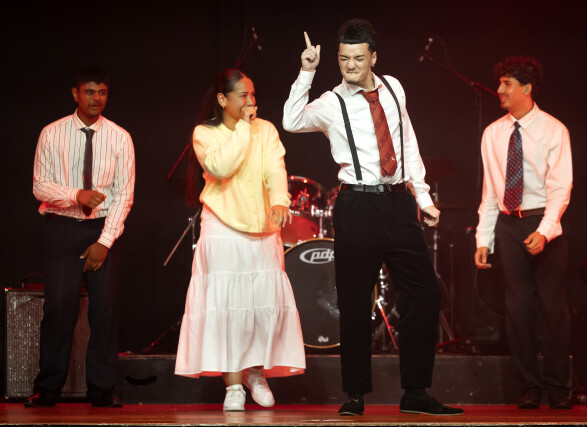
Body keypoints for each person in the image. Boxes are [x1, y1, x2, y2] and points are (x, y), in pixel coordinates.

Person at [283, 19, 463, 416]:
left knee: (425, 293)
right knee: (353, 300)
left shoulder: (394, 87)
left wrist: (423, 197)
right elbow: (291, 121)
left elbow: (408, 143)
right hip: (357, 205)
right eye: (343, 58)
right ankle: (355, 394)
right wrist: (307, 72)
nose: (350, 65)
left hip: (398, 204)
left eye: (358, 58)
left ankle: (415, 391)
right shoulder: (331, 102)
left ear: (373, 58)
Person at [174, 68, 306, 412]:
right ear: (223, 100)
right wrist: (244, 128)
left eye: (253, 94)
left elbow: (275, 169)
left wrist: (280, 200)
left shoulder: (266, 129)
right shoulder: (205, 133)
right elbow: (221, 167)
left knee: (260, 303)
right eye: (243, 95)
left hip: (262, 229)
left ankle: (255, 372)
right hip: (223, 228)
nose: (251, 101)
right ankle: (233, 384)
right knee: (226, 307)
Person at [28, 68, 135, 408]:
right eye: (89, 92)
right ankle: (47, 389)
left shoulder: (120, 137)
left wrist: (104, 242)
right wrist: (77, 195)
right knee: (59, 308)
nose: (96, 98)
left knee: (104, 311)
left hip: (103, 229)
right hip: (63, 227)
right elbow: (40, 185)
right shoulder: (52, 133)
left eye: (102, 92)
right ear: (75, 94)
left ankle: (101, 390)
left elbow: (124, 195)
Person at [474, 56, 573, 409]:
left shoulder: (553, 130)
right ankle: (529, 386)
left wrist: (544, 231)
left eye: (507, 84)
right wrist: (483, 239)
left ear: (526, 89)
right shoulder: (493, 133)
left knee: (552, 308)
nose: (499, 90)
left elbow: (560, 188)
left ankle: (559, 387)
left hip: (545, 221)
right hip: (508, 223)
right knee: (517, 309)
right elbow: (490, 192)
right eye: (500, 83)